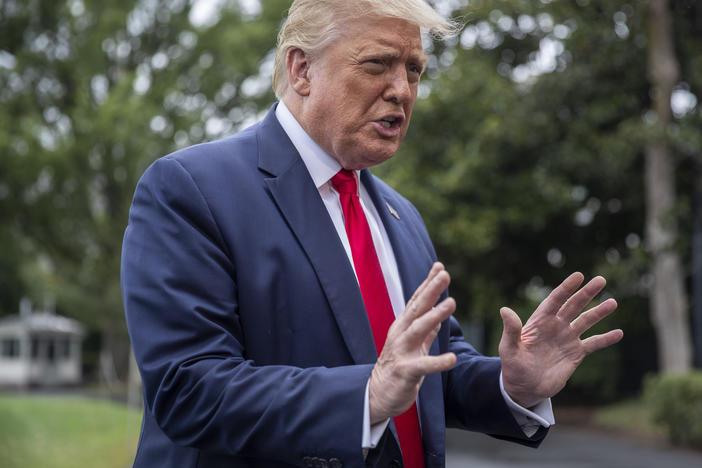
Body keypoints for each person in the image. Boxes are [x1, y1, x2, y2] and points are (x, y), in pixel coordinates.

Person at [121, 1, 623, 467]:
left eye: (414, 70)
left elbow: (427, 369)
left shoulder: (402, 216)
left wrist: (511, 384)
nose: (402, 90)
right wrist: (365, 395)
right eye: (377, 64)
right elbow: (188, 388)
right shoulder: (191, 188)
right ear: (301, 70)